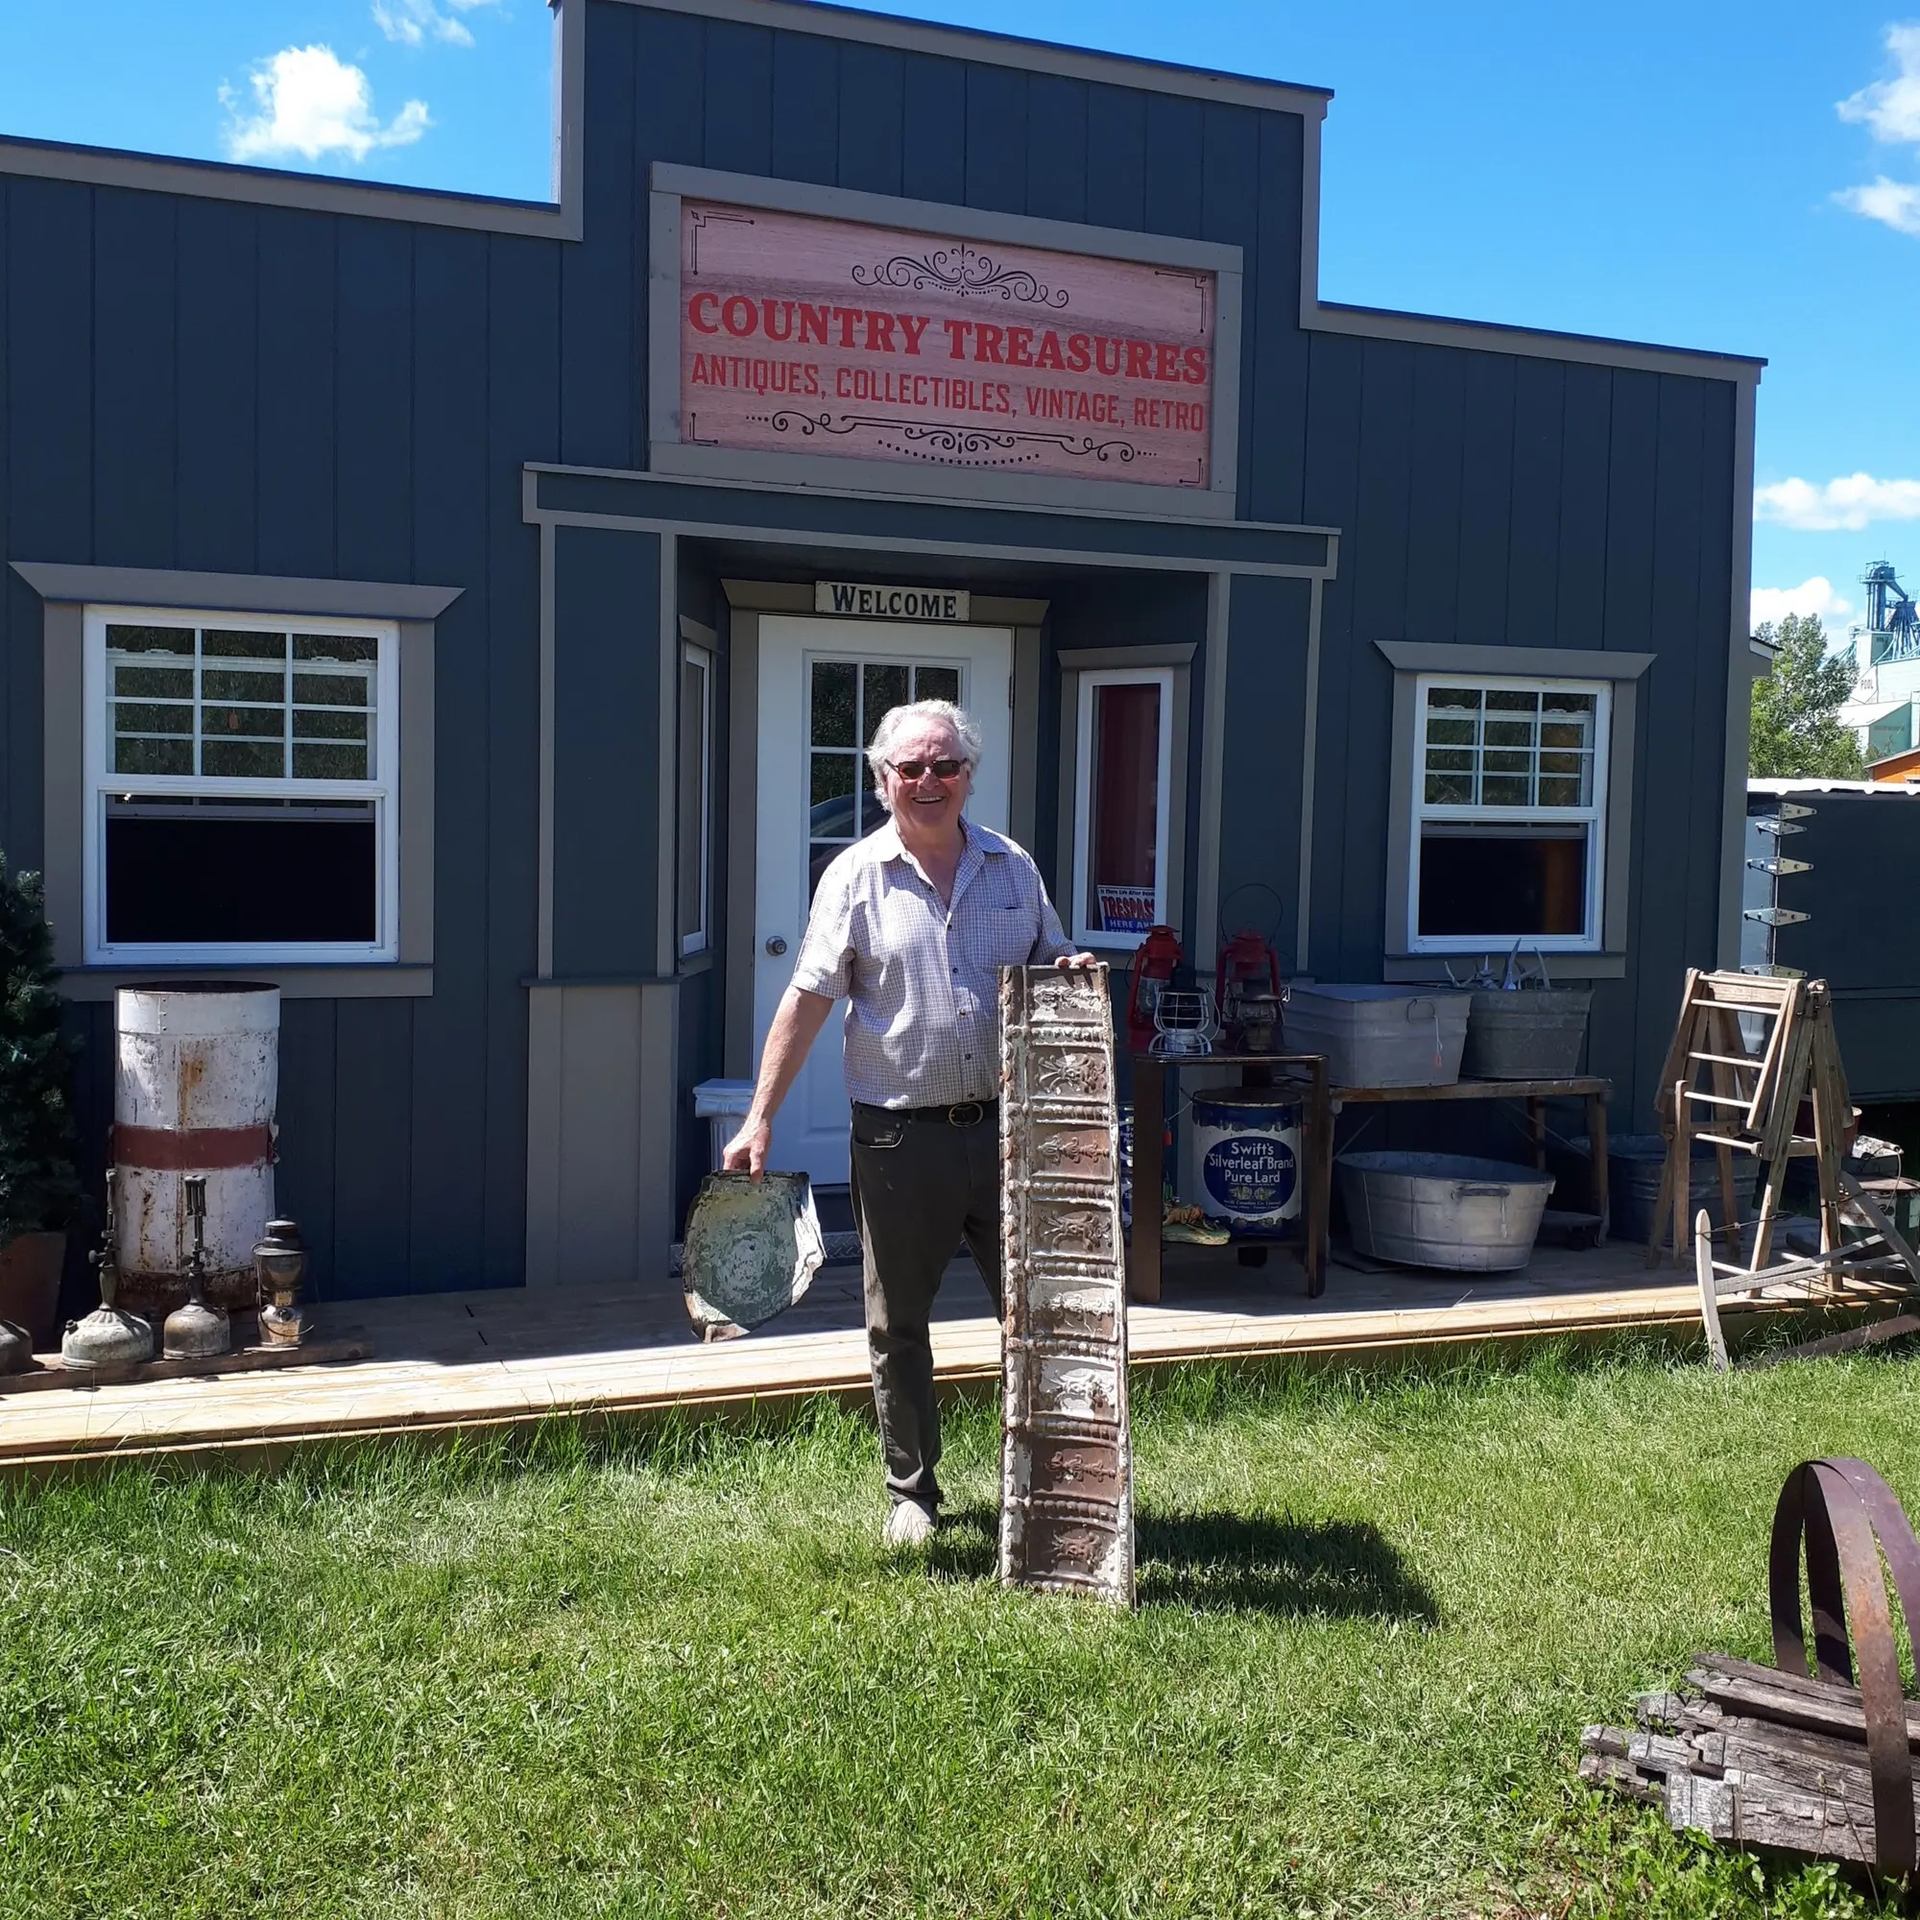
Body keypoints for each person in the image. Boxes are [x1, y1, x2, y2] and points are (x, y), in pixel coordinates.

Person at [723, 697, 1096, 1547]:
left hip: (1014, 1129)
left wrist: (1065, 966)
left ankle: (1046, 1481)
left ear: (969, 776)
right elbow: (810, 998)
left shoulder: (1013, 868)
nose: (929, 781)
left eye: (946, 766)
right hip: (900, 1137)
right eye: (911, 767)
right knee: (899, 1322)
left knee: (1037, 1313)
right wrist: (760, 1119)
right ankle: (914, 1494)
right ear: (883, 778)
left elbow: (1047, 959)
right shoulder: (854, 877)